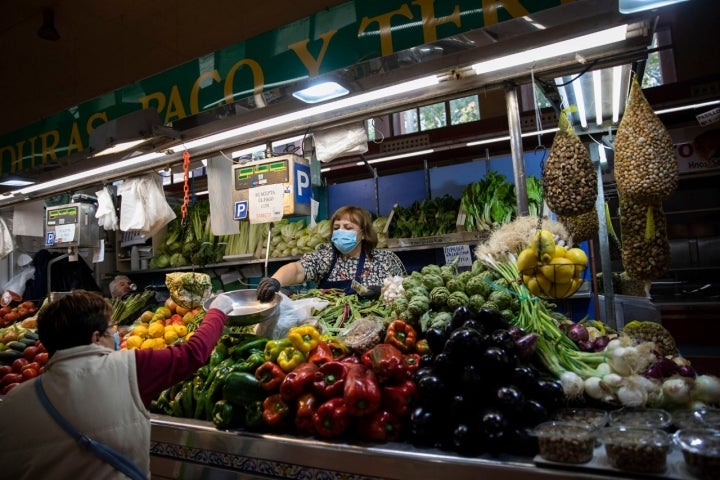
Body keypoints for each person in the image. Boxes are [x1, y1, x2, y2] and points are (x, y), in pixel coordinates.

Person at [0, 289, 236, 479]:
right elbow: (192, 354)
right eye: (111, 328)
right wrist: (217, 310)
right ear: (95, 337)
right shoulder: (129, 368)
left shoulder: (12, 403)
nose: (115, 334)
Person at [257, 205, 406, 301]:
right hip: (330, 330)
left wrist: (382, 292)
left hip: (372, 328)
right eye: (336, 228)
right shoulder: (326, 256)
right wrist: (275, 281)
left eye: (348, 228)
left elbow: (407, 290)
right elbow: (297, 270)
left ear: (364, 234)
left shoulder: (385, 260)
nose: (341, 232)